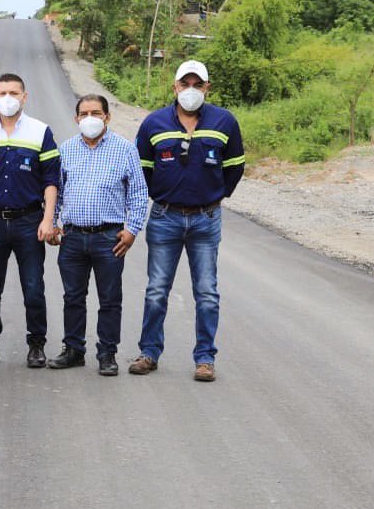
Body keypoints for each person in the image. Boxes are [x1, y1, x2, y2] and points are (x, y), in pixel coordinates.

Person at [129, 60, 245, 382]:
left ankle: (205, 359)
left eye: (198, 84)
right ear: (175, 86)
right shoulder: (154, 123)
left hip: (206, 220)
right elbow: (142, 171)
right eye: (185, 84)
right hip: (165, 217)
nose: (190, 90)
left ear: (207, 87)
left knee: (207, 292)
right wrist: (161, 195)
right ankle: (148, 353)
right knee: (156, 291)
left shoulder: (224, 121)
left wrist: (217, 195)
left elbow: (235, 165)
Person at [0, 73, 60, 368]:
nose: (8, 98)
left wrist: (48, 218)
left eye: (14, 93)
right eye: (2, 92)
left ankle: (37, 344)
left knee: (33, 287)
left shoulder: (41, 132)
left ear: (24, 97)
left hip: (29, 222)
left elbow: (51, 180)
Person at [47, 94, 148, 372]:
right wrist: (54, 223)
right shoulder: (66, 150)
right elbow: (55, 190)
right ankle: (73, 349)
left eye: (96, 113)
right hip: (72, 236)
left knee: (110, 298)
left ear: (107, 117)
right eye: (84, 113)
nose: (90, 118)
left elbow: (138, 193)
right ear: (76, 118)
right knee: (73, 297)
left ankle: (107, 354)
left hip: (109, 237)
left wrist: (132, 230)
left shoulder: (125, 149)